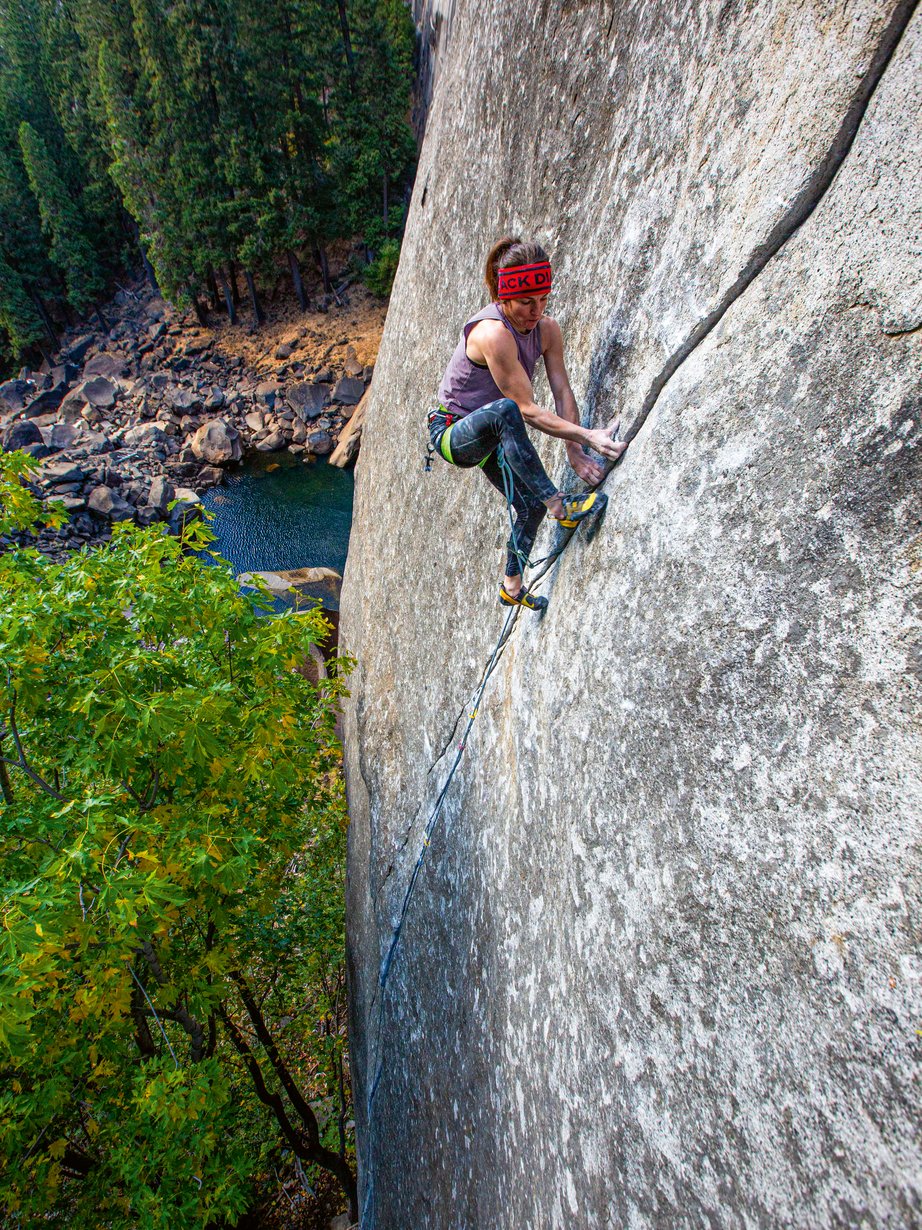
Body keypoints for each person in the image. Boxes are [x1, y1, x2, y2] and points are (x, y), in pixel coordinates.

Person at [428, 237, 627, 612]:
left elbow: (562, 390)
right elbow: (524, 409)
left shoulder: (547, 330)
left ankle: (511, 586)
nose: (536, 311)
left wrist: (576, 452)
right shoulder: (492, 334)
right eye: (525, 302)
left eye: (543, 300)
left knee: (528, 507)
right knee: (506, 411)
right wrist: (589, 436)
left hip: (492, 430)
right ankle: (561, 508)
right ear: (504, 298)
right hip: (455, 434)